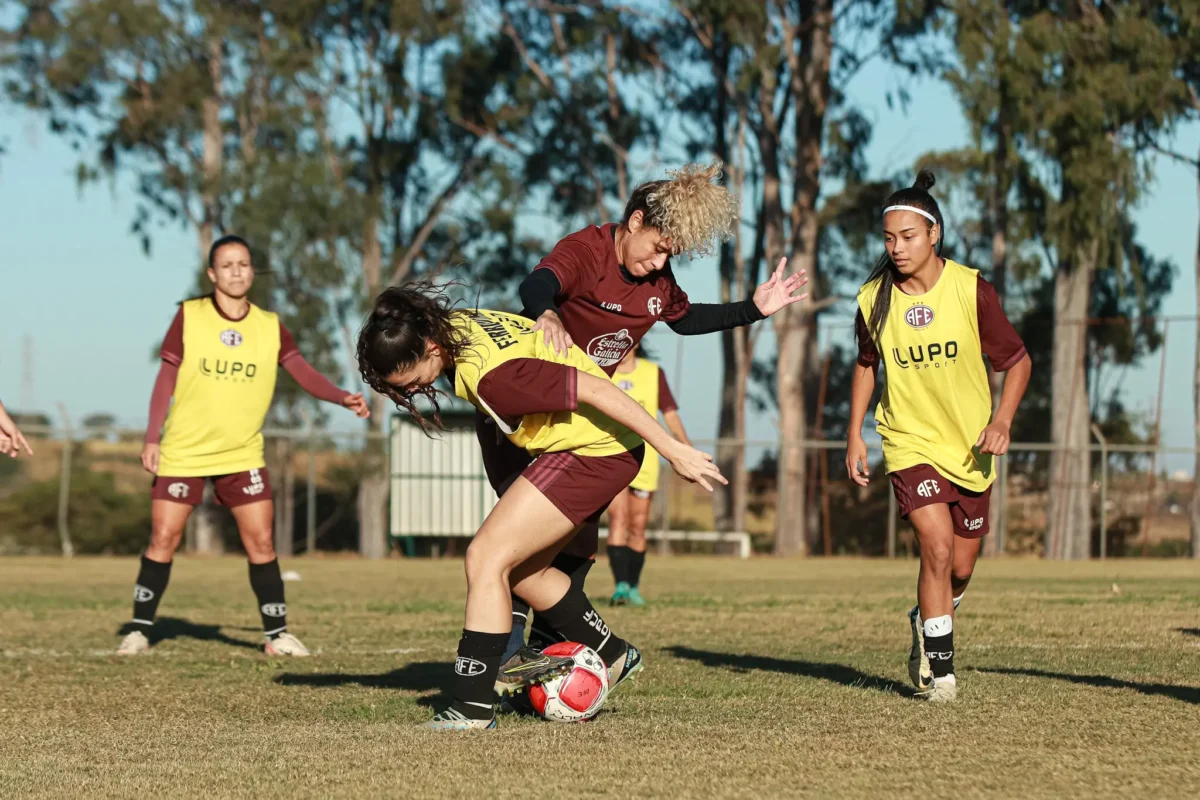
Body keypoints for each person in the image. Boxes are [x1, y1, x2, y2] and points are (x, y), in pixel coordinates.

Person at [356, 283, 725, 730]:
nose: (413, 392)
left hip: (594, 452)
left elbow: (594, 389)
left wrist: (673, 449)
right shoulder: (459, 327)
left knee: (484, 558)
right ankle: (611, 653)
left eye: (412, 381)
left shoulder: (492, 377)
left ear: (431, 347)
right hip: (593, 449)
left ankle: (472, 709)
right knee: (522, 570)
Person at [497, 161, 808, 662]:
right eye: (660, 248)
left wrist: (754, 309)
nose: (662, 263)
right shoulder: (588, 250)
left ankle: (543, 648)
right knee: (527, 543)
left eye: (673, 255)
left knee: (578, 542)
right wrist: (548, 312)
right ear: (636, 221)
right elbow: (539, 284)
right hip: (529, 417)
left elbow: (685, 321)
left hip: (583, 424)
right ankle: (507, 653)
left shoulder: (658, 286)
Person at [116, 235, 370, 657]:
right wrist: (151, 437)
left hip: (242, 452)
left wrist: (340, 395)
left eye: (244, 264)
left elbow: (302, 371)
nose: (237, 271)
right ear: (212, 274)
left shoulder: (269, 325)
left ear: (252, 272)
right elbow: (166, 379)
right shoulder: (190, 316)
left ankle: (277, 635)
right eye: (228, 265)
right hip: (184, 450)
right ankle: (140, 630)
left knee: (262, 543)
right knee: (163, 537)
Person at [845, 171, 1031, 702]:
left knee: (961, 567)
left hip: (970, 447)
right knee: (937, 546)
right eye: (888, 238)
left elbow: (1017, 364)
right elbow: (865, 366)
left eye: (907, 236)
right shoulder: (873, 299)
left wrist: (1001, 422)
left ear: (934, 236)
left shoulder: (972, 290)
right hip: (908, 442)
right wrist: (855, 433)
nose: (897, 247)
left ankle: (926, 620)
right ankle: (942, 677)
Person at [606, 344, 688, 607]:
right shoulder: (602, 371)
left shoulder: (653, 373)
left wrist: (685, 449)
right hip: (610, 455)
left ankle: (633, 587)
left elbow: (671, 415)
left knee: (638, 524)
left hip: (646, 459)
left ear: (637, 342)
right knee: (618, 519)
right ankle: (619, 587)